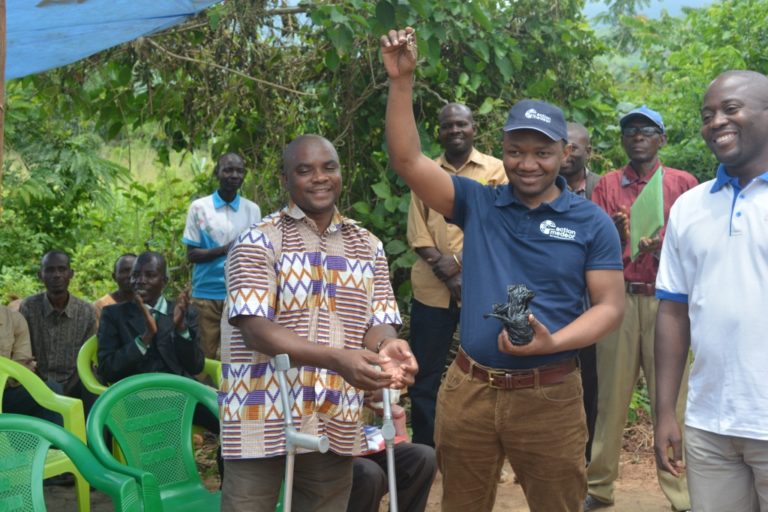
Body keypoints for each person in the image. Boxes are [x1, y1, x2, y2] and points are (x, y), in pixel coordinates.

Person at [381, 27, 625, 512]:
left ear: (565, 154)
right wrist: (401, 81)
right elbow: (408, 160)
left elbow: (611, 307)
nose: (528, 164)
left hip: (550, 395)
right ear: (503, 151)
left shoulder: (590, 222)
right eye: (516, 151)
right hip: (469, 389)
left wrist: (554, 342)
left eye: (542, 152)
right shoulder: (478, 203)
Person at [219, 134, 418, 512]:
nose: (319, 178)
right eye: (305, 170)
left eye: (329, 167)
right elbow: (254, 327)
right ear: (286, 179)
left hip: (333, 410)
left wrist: (385, 348)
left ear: (341, 172)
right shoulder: (258, 241)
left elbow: (379, 322)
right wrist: (337, 358)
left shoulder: (368, 245)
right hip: (261, 411)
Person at [654, 70, 768, 512]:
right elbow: (673, 312)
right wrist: (666, 411)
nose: (716, 121)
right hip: (710, 426)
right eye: (707, 114)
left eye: (730, 109)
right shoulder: (690, 207)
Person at [585, 106, 697, 512]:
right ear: (623, 140)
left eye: (646, 129)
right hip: (620, 299)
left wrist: (661, 245)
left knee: (673, 401)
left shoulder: (683, 184)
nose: (637, 136)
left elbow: (697, 247)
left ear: (661, 138)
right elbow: (590, 248)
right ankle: (599, 488)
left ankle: (681, 494)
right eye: (630, 130)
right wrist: (615, 234)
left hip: (669, 303)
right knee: (610, 400)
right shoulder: (608, 185)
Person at [407, 102, 506, 446]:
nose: (455, 131)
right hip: (431, 290)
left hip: (482, 287)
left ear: (473, 128)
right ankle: (426, 450)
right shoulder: (425, 171)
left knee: (489, 370)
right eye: (448, 126)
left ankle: (485, 446)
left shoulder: (496, 171)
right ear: (440, 131)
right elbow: (417, 232)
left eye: (461, 124)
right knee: (425, 374)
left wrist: (461, 261)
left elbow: (501, 226)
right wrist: (446, 269)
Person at [96, 251, 218, 433]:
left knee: (228, 419)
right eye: (136, 275)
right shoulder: (114, 315)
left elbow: (196, 366)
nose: (140, 280)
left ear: (164, 281)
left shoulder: (182, 311)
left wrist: (181, 330)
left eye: (150, 275)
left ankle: (227, 461)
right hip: (136, 398)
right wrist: (144, 339)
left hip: (182, 394)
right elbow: (107, 370)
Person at [183, 153, 261, 360]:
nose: (234, 175)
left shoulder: (252, 210)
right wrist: (226, 249)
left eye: (239, 171)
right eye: (228, 170)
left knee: (236, 358)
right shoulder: (199, 208)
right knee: (203, 357)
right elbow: (192, 255)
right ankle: (202, 393)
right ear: (217, 172)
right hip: (206, 296)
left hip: (239, 296)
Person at [559, 121, 601, 463]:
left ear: (589, 151)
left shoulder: (604, 189)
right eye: (564, 146)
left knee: (591, 380)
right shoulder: (541, 189)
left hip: (592, 302)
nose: (569, 153)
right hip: (554, 301)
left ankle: (588, 454)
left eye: (577, 147)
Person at [20, 251, 97, 412]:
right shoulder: (29, 307)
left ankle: (93, 436)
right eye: (50, 270)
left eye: (62, 269)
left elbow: (86, 360)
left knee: (95, 383)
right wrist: (45, 387)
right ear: (40, 274)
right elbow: (25, 355)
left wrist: (67, 390)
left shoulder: (86, 311)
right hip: (37, 383)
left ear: (71, 274)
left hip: (75, 383)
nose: (56, 275)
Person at [346, 390, 437, 512]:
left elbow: (382, 388)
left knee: (423, 457)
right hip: (322, 447)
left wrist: (376, 396)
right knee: (368, 473)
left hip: (356, 438)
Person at [0, 304, 63, 425]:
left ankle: (53, 443)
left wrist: (18, 371)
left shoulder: (14, 319)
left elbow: (22, 366)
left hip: (4, 392)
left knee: (51, 389)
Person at [93, 253, 137, 327]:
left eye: (134, 271)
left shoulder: (148, 304)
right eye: (124, 271)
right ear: (114, 276)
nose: (130, 275)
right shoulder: (101, 306)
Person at [560, 122, 600, 200]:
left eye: (572, 149)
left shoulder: (602, 186)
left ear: (588, 152)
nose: (565, 154)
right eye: (561, 147)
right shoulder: (544, 185)